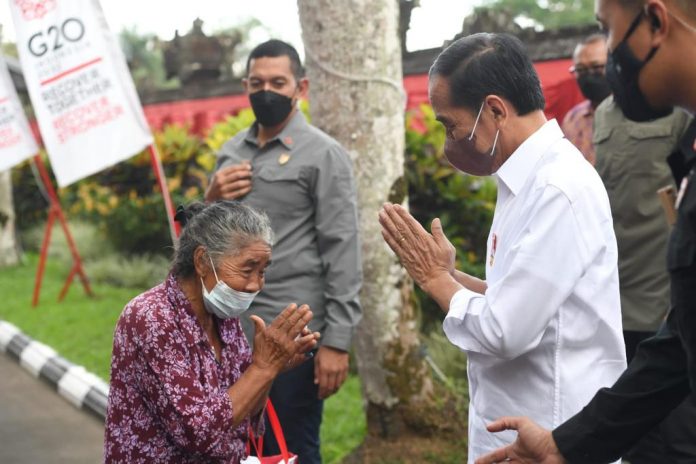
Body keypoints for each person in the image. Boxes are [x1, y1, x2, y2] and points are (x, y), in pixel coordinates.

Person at [378, 32, 626, 462]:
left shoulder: (557, 188)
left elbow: (506, 330)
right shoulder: (521, 180)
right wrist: (452, 276)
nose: (447, 143)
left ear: (494, 110)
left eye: (451, 125)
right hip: (514, 428)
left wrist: (436, 280)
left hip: (551, 430)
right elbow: (515, 297)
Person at [474, 1, 696, 463]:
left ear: (655, 22)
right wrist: (566, 445)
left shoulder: (559, 182)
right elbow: (680, 346)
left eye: (608, 32)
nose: (609, 55)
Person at [205, 39, 362, 463]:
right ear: (246, 85)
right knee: (229, 446)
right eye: (257, 82)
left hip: (292, 336)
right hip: (229, 330)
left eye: (278, 82)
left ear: (301, 87)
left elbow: (342, 250)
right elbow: (206, 244)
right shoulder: (230, 153)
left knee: (289, 449)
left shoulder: (323, 155)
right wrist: (211, 197)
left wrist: (337, 343)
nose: (266, 91)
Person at [103, 201, 320, 463]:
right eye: (247, 269)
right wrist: (262, 368)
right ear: (203, 261)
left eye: (262, 271)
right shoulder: (151, 318)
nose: (256, 285)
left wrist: (272, 368)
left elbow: (243, 416)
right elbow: (198, 435)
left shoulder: (222, 317)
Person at [594, 97, 695, 463]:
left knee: (680, 437)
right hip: (617, 296)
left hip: (666, 297)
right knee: (635, 438)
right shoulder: (603, 114)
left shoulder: (681, 110)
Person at [561, 34, 612, 164]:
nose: (589, 75)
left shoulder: (634, 113)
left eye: (596, 67)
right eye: (581, 70)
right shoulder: (572, 119)